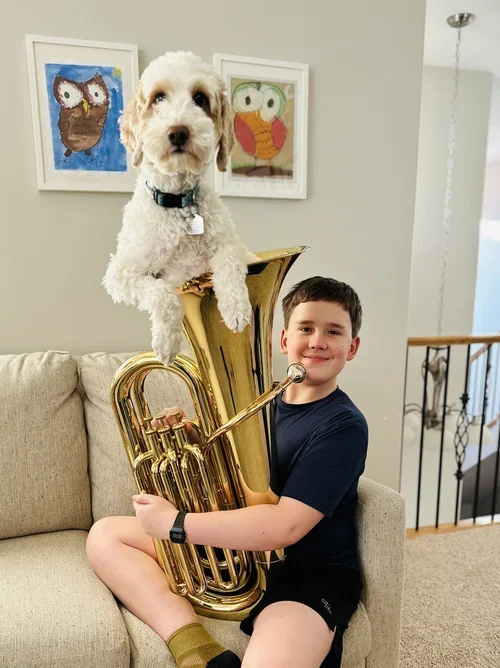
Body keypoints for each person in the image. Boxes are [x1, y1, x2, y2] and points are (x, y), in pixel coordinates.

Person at [86, 276, 368, 668]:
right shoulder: (260, 400)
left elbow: (286, 526)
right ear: (285, 339)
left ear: (351, 348)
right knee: (105, 536)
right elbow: (235, 479)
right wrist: (193, 440)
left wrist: (177, 524)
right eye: (306, 328)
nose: (317, 341)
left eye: (333, 331)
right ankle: (200, 651)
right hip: (241, 553)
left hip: (306, 573)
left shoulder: (343, 427)